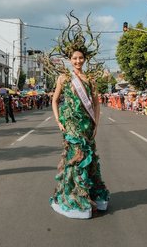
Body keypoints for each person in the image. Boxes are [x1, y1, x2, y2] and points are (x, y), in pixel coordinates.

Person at [48, 12, 109, 219]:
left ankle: (93, 194)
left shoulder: (90, 79)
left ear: (85, 59)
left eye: (81, 58)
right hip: (71, 125)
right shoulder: (64, 78)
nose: (78, 60)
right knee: (76, 158)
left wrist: (97, 124)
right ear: (69, 59)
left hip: (87, 124)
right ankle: (75, 197)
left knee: (90, 159)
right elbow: (54, 100)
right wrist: (58, 121)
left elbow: (97, 103)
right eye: (74, 58)